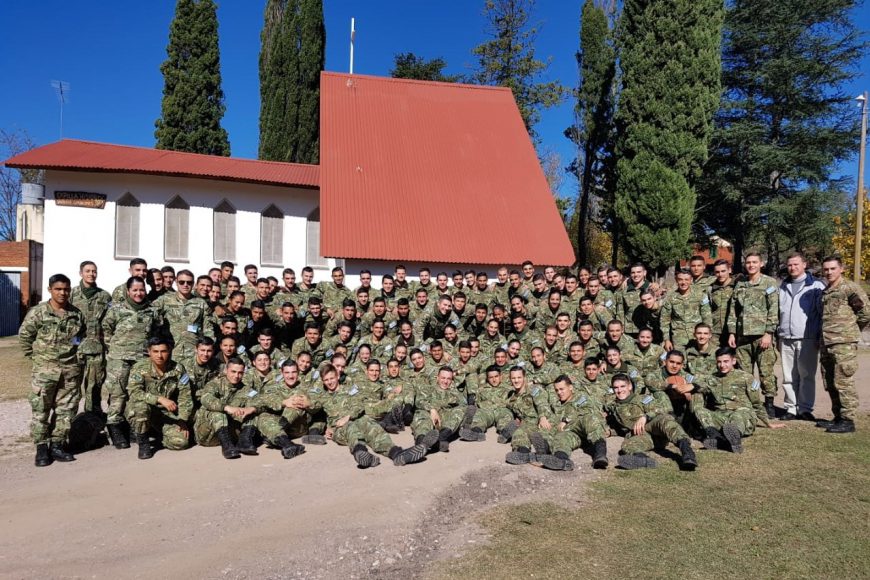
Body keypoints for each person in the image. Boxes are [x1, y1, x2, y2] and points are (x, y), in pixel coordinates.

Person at [19, 274, 86, 467]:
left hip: (69, 372)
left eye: (66, 289)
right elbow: (25, 337)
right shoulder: (38, 312)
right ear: (50, 290)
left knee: (66, 410)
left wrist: (75, 357)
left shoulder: (76, 314)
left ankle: (57, 445)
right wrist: (38, 359)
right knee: (41, 410)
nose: (62, 293)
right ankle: (41, 448)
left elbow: (79, 338)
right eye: (58, 289)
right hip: (44, 371)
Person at [102, 276, 160, 450]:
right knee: (118, 394)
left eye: (141, 290)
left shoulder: (152, 311)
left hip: (141, 359)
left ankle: (135, 427)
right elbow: (106, 329)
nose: (138, 293)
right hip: (119, 358)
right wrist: (113, 348)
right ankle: (114, 426)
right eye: (134, 290)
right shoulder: (116, 309)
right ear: (128, 291)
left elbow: (156, 331)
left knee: (137, 393)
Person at [817, 256, 870, 433]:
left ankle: (848, 420)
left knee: (843, 380)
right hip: (827, 342)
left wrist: (849, 331)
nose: (829, 272)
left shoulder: (849, 288)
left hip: (843, 343)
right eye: (826, 269)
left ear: (842, 269)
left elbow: (865, 313)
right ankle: (838, 416)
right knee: (830, 381)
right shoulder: (826, 291)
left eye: (832, 268)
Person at [604, 373, 698, 471]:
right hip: (644, 435)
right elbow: (622, 427)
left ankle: (687, 453)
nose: (619, 390)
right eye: (616, 387)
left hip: (656, 428)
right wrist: (610, 432)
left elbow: (662, 409)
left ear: (630, 386)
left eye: (623, 386)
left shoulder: (642, 399)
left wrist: (645, 417)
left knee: (665, 420)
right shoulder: (614, 407)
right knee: (627, 445)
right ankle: (644, 460)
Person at [726, 253, 780, 418]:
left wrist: (768, 332)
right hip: (742, 337)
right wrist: (732, 333)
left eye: (754, 262)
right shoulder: (740, 284)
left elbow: (773, 308)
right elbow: (733, 310)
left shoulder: (769, 283)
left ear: (761, 264)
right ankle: (749, 403)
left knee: (766, 372)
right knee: (745, 373)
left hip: (761, 336)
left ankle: (769, 404)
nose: (751, 265)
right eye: (748, 262)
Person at [692, 347, 772, 453]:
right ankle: (719, 439)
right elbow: (696, 383)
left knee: (737, 415)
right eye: (719, 362)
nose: (722, 365)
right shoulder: (711, 378)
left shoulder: (747, 377)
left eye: (726, 361)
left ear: (733, 361)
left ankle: (734, 436)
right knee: (700, 411)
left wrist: (768, 423)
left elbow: (756, 403)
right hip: (722, 416)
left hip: (743, 415)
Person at [126, 337, 192, 459]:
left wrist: (182, 420)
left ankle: (158, 433)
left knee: (182, 442)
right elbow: (134, 392)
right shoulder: (139, 367)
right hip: (141, 409)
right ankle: (143, 441)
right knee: (141, 407)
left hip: (164, 413)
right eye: (155, 352)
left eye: (163, 351)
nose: (160, 356)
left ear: (169, 351)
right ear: (149, 352)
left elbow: (185, 395)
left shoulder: (178, 369)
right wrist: (159, 399)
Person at [777, 253, 825, 421]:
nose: (792, 268)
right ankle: (790, 408)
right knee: (789, 375)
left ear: (804, 264)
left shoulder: (816, 286)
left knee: (806, 375)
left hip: (808, 338)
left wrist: (819, 335)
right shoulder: (783, 286)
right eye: (790, 265)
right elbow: (778, 311)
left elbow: (821, 313)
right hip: (786, 337)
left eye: (796, 264)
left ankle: (805, 408)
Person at [69, 261, 111, 415]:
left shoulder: (104, 296)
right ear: (81, 273)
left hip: (96, 349)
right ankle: (70, 422)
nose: (91, 274)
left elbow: (109, 322)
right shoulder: (71, 294)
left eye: (94, 271)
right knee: (72, 386)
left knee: (94, 386)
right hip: (74, 349)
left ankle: (92, 421)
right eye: (88, 271)